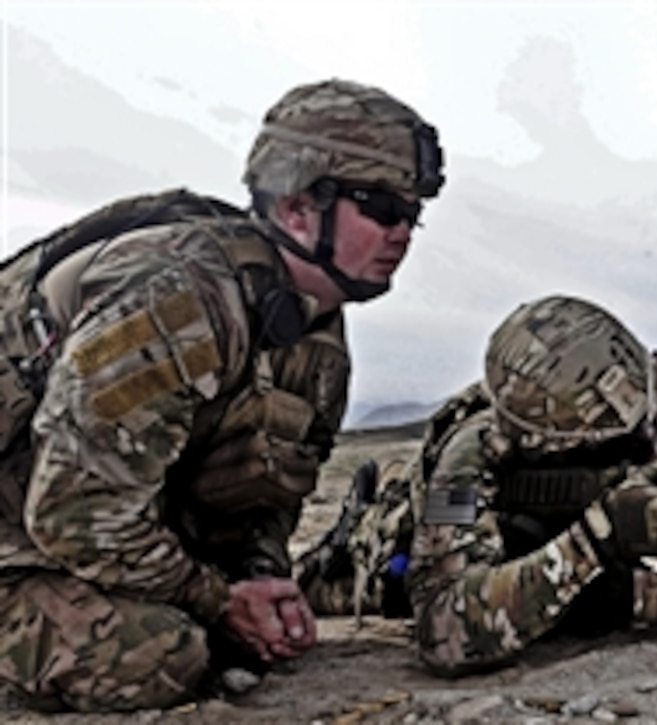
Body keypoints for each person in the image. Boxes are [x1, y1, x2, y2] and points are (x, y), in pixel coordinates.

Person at [0, 78, 445, 712]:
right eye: (381, 208)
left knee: (226, 641)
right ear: (297, 207)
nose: (403, 232)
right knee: (151, 657)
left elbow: (267, 494)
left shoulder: (313, 336)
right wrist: (214, 598)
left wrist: (259, 576)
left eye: (412, 214)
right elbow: (76, 510)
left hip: (81, 532)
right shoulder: (177, 295)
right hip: (30, 529)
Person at [299, 295, 657, 676]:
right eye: (608, 442)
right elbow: (443, 633)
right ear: (546, 442)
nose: (640, 443)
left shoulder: (645, 431)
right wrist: (597, 540)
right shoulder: (471, 455)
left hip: (537, 570)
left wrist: (634, 596)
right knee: (308, 593)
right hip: (389, 562)